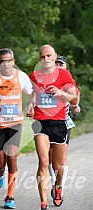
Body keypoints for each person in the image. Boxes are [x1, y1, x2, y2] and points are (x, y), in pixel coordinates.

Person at [27, 45, 79, 210]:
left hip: (58, 123)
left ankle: (58, 186)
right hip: (41, 122)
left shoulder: (64, 75)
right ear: (40, 58)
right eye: (42, 57)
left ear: (54, 56)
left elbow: (74, 99)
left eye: (49, 56)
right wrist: (30, 104)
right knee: (43, 161)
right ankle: (43, 204)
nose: (46, 59)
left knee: (57, 166)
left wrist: (60, 93)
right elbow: (34, 93)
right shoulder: (34, 75)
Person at [0, 48, 32, 209]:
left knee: (12, 157)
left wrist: (31, 105)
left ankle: (10, 196)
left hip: (16, 123)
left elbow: (32, 93)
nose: (6, 64)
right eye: (2, 61)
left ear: (13, 61)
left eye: (9, 60)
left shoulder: (21, 77)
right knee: (0, 161)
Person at [49, 56, 81, 197]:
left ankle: (60, 186)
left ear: (66, 67)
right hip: (47, 122)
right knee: (50, 157)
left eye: (61, 64)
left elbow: (75, 98)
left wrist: (76, 105)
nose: (58, 66)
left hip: (63, 122)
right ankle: (53, 183)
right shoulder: (47, 80)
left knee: (62, 158)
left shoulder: (69, 83)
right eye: (56, 64)